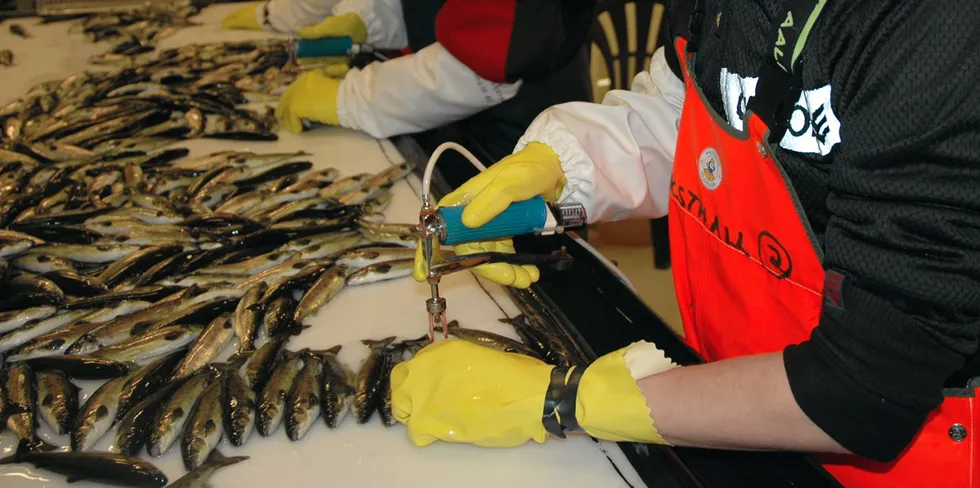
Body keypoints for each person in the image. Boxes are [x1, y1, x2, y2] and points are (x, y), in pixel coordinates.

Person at [396, 0, 980, 487]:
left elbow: (864, 388)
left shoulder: (933, 29)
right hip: (730, 404)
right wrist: (557, 169)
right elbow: (686, 109)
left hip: (893, 450)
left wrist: (566, 400)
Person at [221, 0, 596, 186]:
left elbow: (484, 63)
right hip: (442, 113)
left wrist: (348, 99)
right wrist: (368, 20)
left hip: (523, 129)